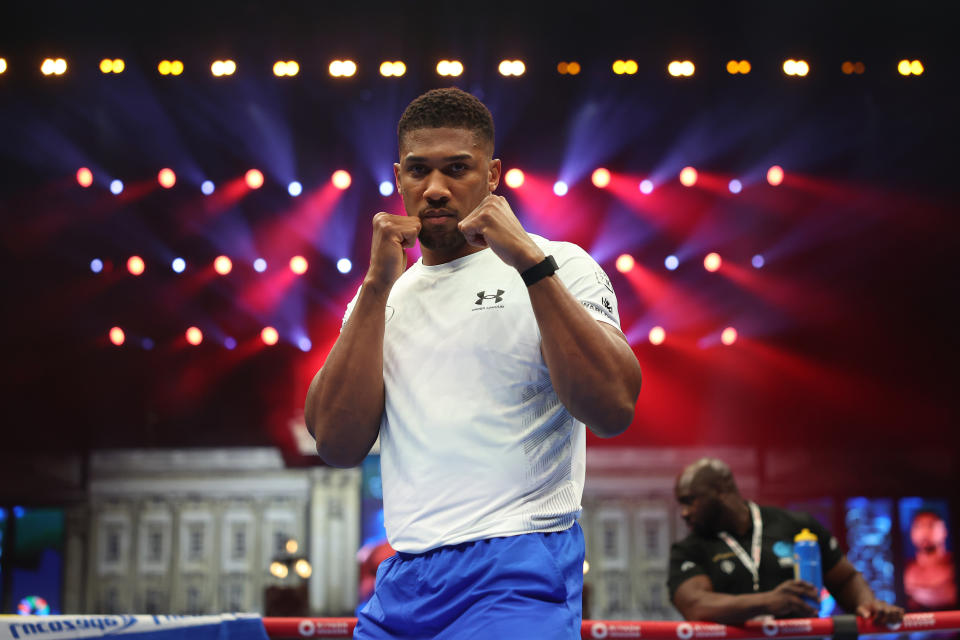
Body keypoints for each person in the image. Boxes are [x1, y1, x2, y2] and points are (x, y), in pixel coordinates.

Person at [304, 88, 642, 639]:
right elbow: (337, 445)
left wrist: (532, 265)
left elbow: (613, 407)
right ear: (398, 176)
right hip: (405, 578)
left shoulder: (561, 264)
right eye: (419, 171)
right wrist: (373, 285)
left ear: (493, 175)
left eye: (457, 169)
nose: (434, 189)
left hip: (519, 568)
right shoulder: (381, 297)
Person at [668, 458, 904, 625]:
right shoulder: (688, 549)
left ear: (721, 491)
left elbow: (845, 579)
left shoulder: (796, 526)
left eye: (690, 500)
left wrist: (868, 604)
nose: (684, 513)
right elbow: (696, 605)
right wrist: (768, 602)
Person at [903, 510, 956, 610]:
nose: (924, 532)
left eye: (931, 525)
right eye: (918, 526)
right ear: (911, 533)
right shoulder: (905, 568)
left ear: (944, 530)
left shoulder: (953, 566)